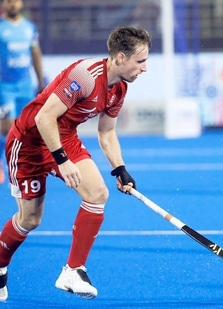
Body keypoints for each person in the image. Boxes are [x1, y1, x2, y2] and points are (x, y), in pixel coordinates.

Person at [0, 26, 151, 301]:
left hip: (64, 136)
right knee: (30, 219)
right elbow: (43, 118)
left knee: (98, 193)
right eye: (140, 61)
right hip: (29, 142)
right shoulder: (85, 76)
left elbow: (106, 132)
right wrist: (63, 161)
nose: (145, 68)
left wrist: (120, 168)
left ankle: (73, 270)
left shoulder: (119, 88)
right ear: (120, 58)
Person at [0, 0, 45, 184]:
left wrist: (40, 81)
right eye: (8, 1)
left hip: (25, 85)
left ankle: (23, 165)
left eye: (15, 1)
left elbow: (35, 53)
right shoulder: (1, 28)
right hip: (5, 86)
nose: (12, 4)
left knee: (25, 126)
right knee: (7, 127)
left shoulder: (29, 28)